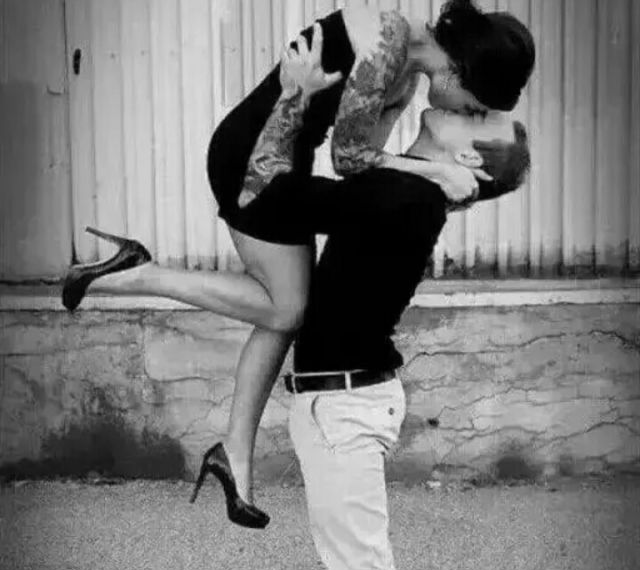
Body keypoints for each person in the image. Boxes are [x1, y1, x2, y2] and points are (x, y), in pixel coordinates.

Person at [61, 0, 535, 528]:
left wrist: (437, 188)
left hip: (285, 159)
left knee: (286, 310)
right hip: (252, 160)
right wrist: (437, 175)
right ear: (460, 73)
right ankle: (140, 274)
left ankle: (234, 458)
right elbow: (353, 160)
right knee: (286, 310)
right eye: (474, 106)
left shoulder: (406, 76)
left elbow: (360, 171)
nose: (465, 112)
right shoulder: (387, 43)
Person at [214, 42, 530, 570]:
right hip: (349, 400)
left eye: (476, 115)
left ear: (467, 156)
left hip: (345, 408)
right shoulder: (410, 190)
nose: (468, 102)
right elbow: (359, 159)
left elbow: (273, 194)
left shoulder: (404, 197)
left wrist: (294, 96)